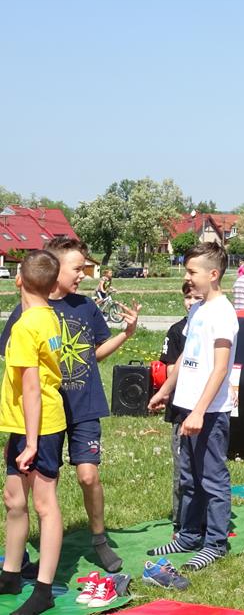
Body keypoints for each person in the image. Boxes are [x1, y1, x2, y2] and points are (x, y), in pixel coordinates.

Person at [0, 237, 141, 573]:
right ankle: (23, 555)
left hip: (83, 405)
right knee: (32, 488)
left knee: (88, 476)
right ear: (54, 268)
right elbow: (16, 361)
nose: (82, 275)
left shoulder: (86, 307)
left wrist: (126, 334)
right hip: (46, 412)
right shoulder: (29, 311)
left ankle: (99, 539)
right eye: (77, 268)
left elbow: (93, 353)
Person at [147, 242, 239, 571]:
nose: (187, 277)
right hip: (187, 408)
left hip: (209, 413)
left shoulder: (223, 313)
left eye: (191, 271)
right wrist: (166, 390)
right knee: (188, 476)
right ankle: (188, 535)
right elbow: (187, 355)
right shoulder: (198, 309)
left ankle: (215, 543)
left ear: (213, 274)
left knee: (212, 478)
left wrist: (200, 410)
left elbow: (220, 368)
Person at [0, 250, 63, 615]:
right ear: (53, 287)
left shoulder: (26, 327)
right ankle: (10, 574)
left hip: (39, 427)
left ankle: (43, 590)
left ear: (19, 279)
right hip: (22, 426)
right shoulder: (48, 316)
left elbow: (32, 388)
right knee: (13, 499)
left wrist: (32, 442)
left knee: (44, 505)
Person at [158, 281, 204, 534]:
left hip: (207, 407)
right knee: (183, 469)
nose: (191, 303)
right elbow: (170, 372)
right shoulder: (177, 331)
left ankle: (206, 519)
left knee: (207, 467)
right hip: (181, 410)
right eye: (188, 298)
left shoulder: (211, 328)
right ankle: (182, 521)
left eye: (197, 298)